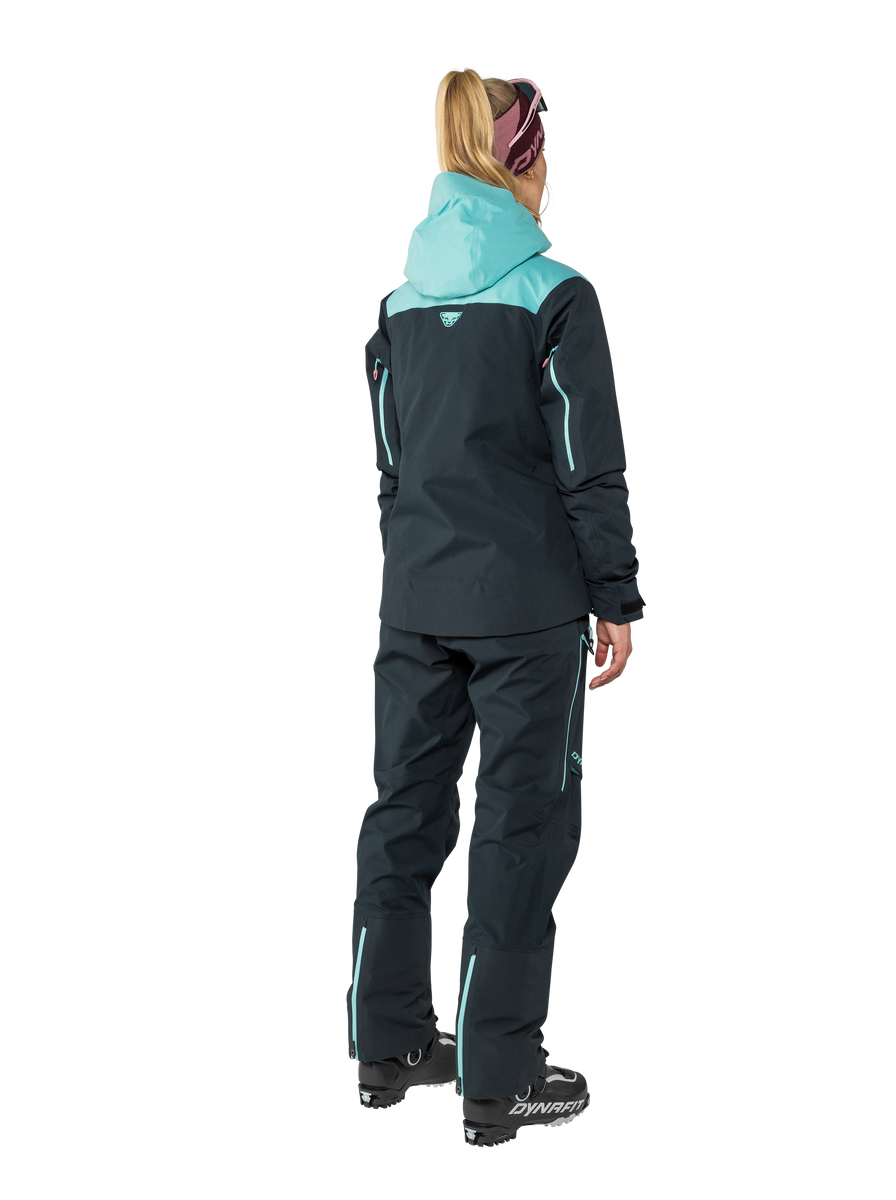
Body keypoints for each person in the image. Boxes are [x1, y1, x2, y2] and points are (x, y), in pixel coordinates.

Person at [344, 66, 647, 1150]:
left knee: (402, 814)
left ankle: (385, 1051)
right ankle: (499, 1082)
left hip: (414, 601)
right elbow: (588, 468)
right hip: (528, 608)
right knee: (522, 827)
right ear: (523, 154)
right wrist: (617, 602)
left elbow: (390, 473)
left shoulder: (396, 305)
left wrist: (418, 572)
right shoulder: (560, 294)